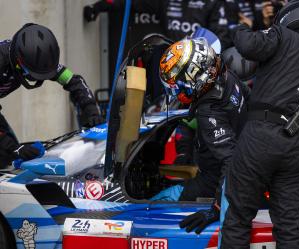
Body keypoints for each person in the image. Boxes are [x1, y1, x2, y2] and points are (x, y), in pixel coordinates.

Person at [219, 0, 299, 248]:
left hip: (261, 135)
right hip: (295, 146)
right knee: (290, 227)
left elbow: (248, 46)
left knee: (237, 219)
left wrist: (242, 26)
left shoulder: (284, 36)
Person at [151, 38, 250, 204]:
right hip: (243, 164)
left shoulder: (208, 111)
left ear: (192, 75)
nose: (176, 91)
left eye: (176, 84)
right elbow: (249, 99)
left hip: (212, 183)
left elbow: (231, 161)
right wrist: (184, 152)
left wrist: (217, 206)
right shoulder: (227, 75)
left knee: (153, 203)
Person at [0, 23, 104, 168]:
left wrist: (91, 110)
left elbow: (74, 81)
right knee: (8, 151)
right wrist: (12, 148)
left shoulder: (37, 59)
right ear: (19, 62)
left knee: (8, 157)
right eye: (33, 73)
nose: (36, 79)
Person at [84, 0, 232, 50]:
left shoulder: (214, 3)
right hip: (170, 60)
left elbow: (221, 38)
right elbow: (133, 3)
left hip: (199, 66)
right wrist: (99, 6)